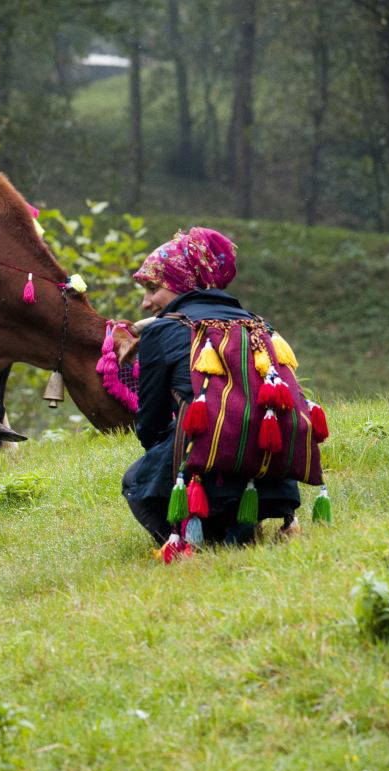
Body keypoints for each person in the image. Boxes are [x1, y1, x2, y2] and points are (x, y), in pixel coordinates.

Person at [122, 227, 300, 546]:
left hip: (202, 480)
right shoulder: (260, 326)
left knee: (135, 479)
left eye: (153, 288)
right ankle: (241, 522)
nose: (146, 303)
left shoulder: (162, 332)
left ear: (184, 284)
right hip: (275, 485)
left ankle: (196, 537)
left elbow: (149, 426)